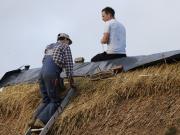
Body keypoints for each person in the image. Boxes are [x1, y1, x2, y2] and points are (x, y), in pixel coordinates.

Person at [29, 33, 74, 128]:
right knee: (55, 100)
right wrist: (71, 81)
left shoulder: (49, 46)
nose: (68, 44)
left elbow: (44, 61)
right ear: (65, 39)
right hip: (51, 74)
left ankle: (33, 119)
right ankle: (41, 120)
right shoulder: (65, 46)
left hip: (41, 75)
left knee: (46, 100)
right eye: (68, 42)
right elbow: (69, 65)